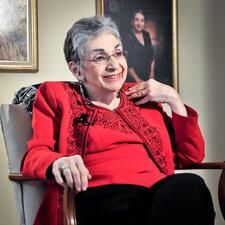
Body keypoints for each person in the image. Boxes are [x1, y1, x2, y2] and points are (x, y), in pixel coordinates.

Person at [20, 16, 215, 225]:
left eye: (118, 53)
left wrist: (173, 98)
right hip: (98, 199)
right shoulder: (57, 94)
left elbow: (190, 156)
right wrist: (58, 161)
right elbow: (35, 154)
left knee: (191, 186)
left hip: (158, 199)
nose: (114, 65)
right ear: (76, 69)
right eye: (100, 58)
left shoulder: (141, 95)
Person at [123, 10, 155, 83]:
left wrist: (152, 75)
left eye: (142, 20)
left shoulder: (146, 35)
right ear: (132, 22)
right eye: (136, 20)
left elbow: (152, 56)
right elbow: (127, 63)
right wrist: (137, 79)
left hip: (148, 77)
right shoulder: (127, 37)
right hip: (133, 79)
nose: (139, 23)